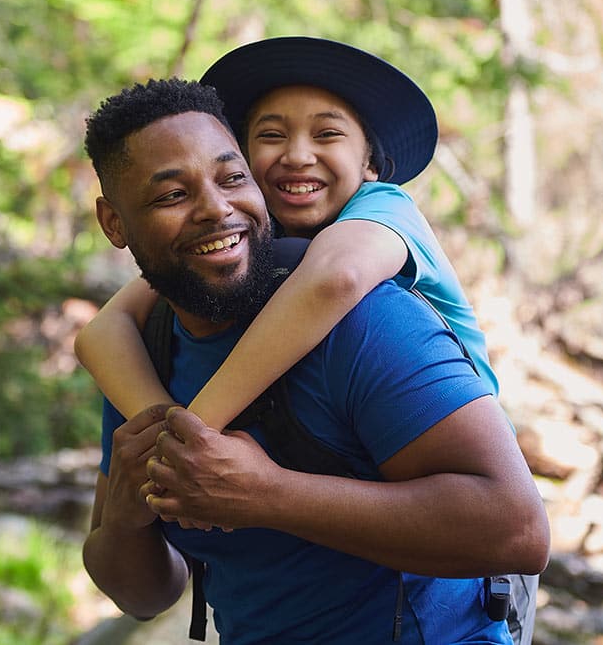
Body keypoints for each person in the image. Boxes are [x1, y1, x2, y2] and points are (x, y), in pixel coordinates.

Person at [80, 77, 548, 644]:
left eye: (231, 179)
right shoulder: (141, 352)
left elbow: (519, 531)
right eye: (172, 195)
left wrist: (262, 492)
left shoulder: (364, 318)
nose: (215, 208)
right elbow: (145, 596)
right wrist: (128, 520)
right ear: (113, 223)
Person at [75, 37, 498, 439]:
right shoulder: (251, 231)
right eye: (271, 135)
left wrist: (199, 428)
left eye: (327, 134)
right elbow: (102, 332)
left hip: (456, 425)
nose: (297, 156)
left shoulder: (385, 208)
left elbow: (338, 277)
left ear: (369, 160)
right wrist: (160, 431)